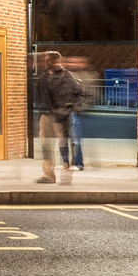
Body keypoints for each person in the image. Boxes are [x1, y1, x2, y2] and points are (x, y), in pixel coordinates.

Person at [34, 51, 81, 184]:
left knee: (63, 146)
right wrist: (41, 108)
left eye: (48, 60)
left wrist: (63, 111)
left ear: (56, 61)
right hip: (45, 116)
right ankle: (48, 175)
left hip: (59, 117)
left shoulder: (66, 76)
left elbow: (75, 94)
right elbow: (37, 94)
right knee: (46, 146)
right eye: (45, 60)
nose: (45, 62)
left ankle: (65, 176)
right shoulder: (43, 77)